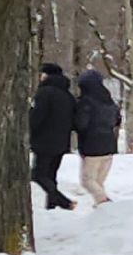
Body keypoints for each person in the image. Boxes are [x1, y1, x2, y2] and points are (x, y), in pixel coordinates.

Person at [30, 63, 77, 211]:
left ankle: (64, 202)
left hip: (44, 140)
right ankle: (51, 206)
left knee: (39, 175)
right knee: (51, 175)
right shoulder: (67, 95)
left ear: (46, 75)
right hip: (62, 142)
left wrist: (29, 128)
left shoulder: (44, 93)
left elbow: (37, 116)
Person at [73, 70, 122, 206]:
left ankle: (104, 202)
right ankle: (101, 208)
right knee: (98, 182)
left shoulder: (85, 102)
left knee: (87, 180)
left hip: (92, 146)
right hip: (109, 145)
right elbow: (117, 120)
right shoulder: (109, 100)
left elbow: (81, 124)